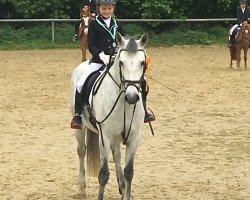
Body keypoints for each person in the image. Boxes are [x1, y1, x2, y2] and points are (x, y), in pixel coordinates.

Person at [71, 0, 154, 129]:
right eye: (104, 9)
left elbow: (124, 42)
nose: (107, 11)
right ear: (99, 9)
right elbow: (91, 45)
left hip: (116, 61)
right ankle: (78, 115)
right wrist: (100, 55)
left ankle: (144, 111)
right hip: (99, 61)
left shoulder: (117, 24)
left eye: (109, 9)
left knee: (141, 81)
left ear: (113, 9)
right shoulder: (94, 25)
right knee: (81, 83)